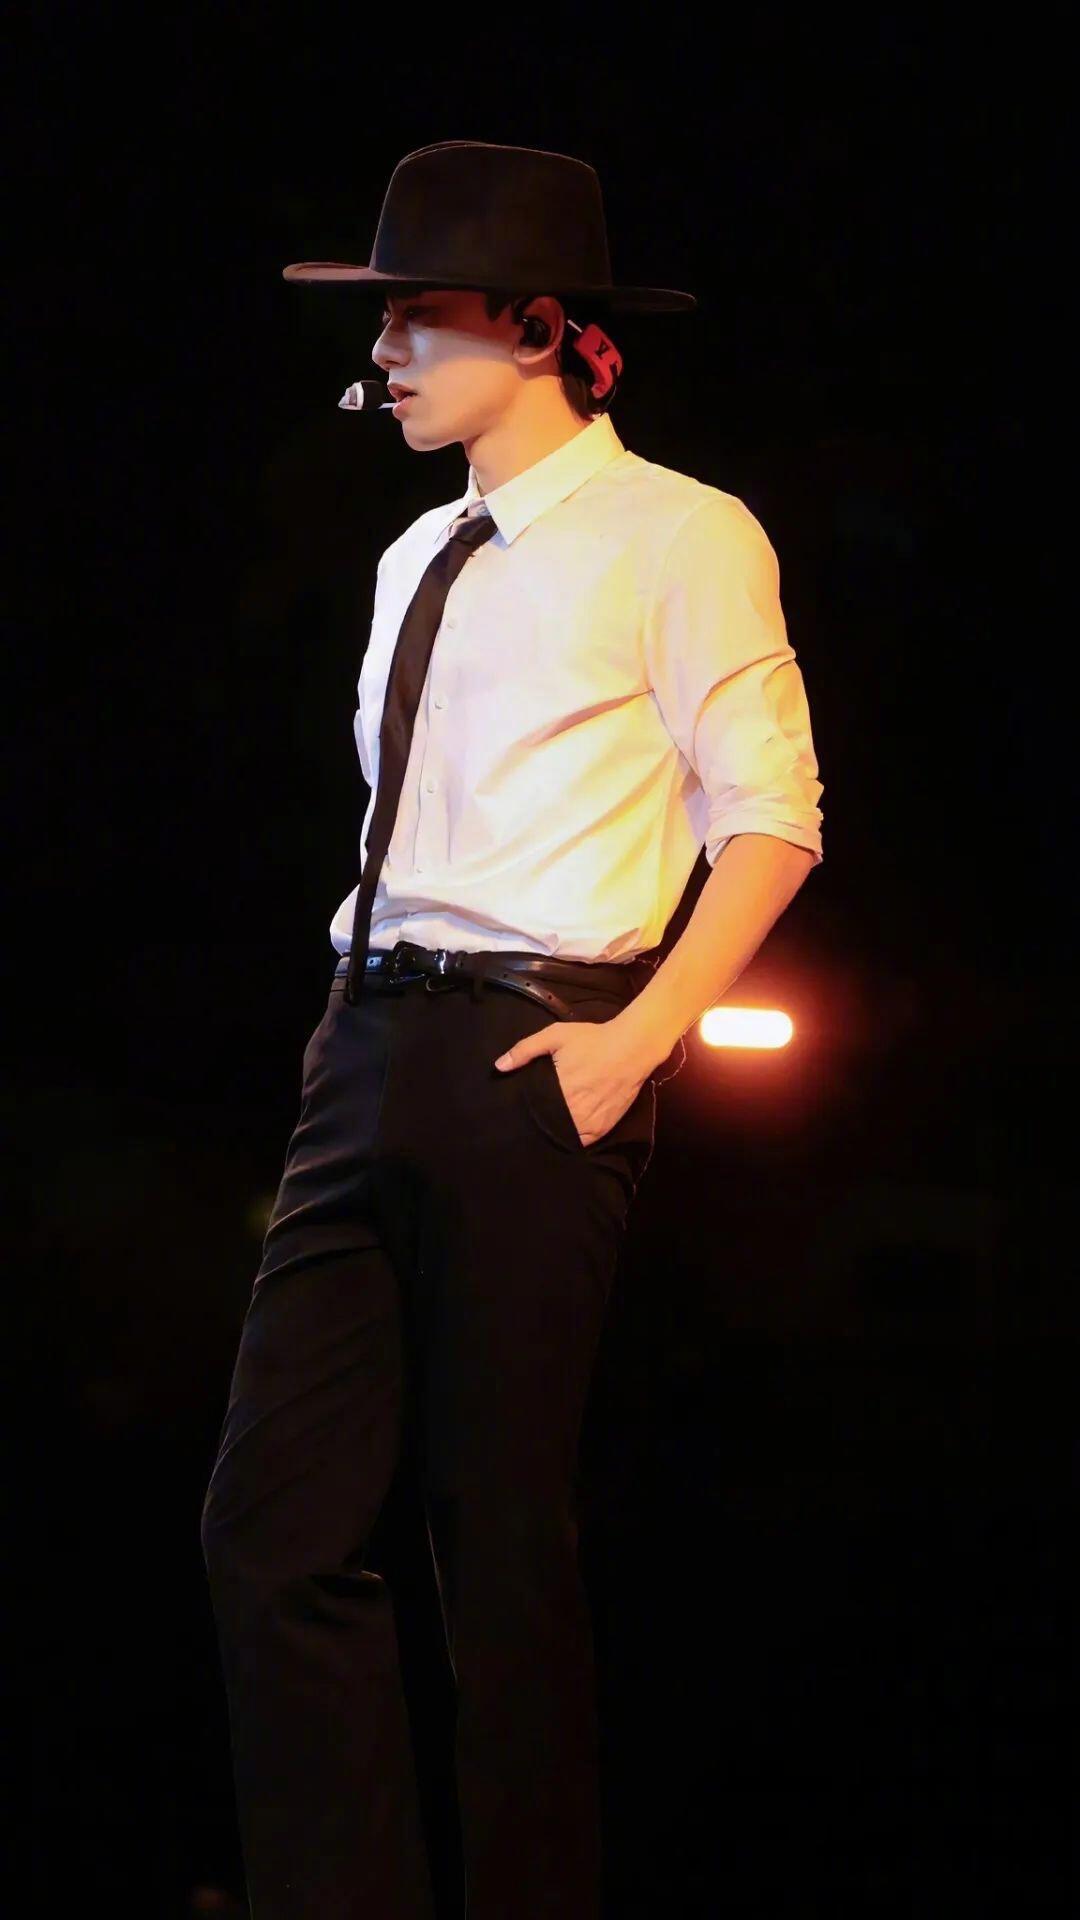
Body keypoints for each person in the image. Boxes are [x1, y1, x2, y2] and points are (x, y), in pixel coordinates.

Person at [200, 140, 824, 1920]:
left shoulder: (683, 533)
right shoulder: (417, 551)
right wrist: (343, 1034)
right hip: (368, 1042)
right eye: (382, 320)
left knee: (499, 1544)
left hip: (541, 1048)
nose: (383, 352)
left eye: (418, 316)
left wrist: (640, 1043)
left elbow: (771, 814)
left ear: (539, 331)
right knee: (270, 1530)